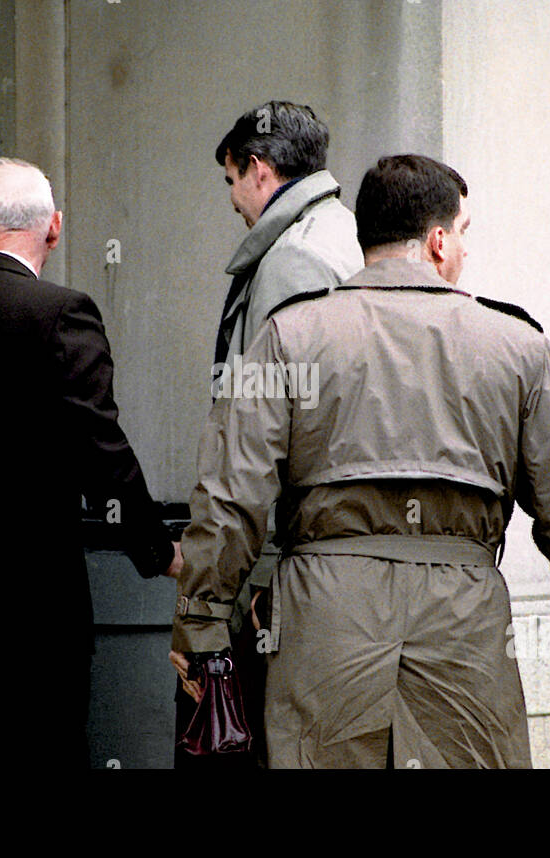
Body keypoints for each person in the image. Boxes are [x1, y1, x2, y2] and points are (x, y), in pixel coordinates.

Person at [170, 154, 550, 768]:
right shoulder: (516, 345)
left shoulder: (291, 335)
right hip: (461, 621)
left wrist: (202, 624)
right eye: (464, 232)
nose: (464, 249)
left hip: (324, 616)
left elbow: (231, 491)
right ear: (439, 241)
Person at [0, 157, 180, 768]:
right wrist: (159, 550)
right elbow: (100, 449)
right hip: (36, 606)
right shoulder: (62, 314)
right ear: (53, 229)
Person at [172, 101, 363, 769]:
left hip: (288, 572)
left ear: (258, 170)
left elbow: (268, 440)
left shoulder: (294, 262)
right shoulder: (334, 234)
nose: (231, 201)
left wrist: (244, 583)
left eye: (231, 181)